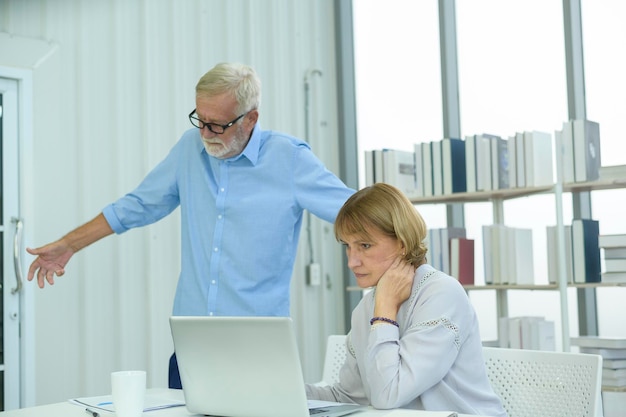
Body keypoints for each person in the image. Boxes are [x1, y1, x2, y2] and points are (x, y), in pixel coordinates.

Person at [26, 62, 355, 388]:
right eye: (200, 119)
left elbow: (359, 211)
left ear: (251, 118)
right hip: (191, 347)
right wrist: (70, 244)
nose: (205, 133)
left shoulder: (289, 159)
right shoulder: (189, 148)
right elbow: (137, 206)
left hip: (257, 350)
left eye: (217, 125)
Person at [306, 183, 506, 417]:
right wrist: (283, 389)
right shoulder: (365, 309)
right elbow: (350, 397)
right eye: (347, 247)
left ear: (402, 243)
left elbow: (388, 394)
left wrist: (385, 313)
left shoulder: (442, 294)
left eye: (365, 245)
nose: (352, 262)